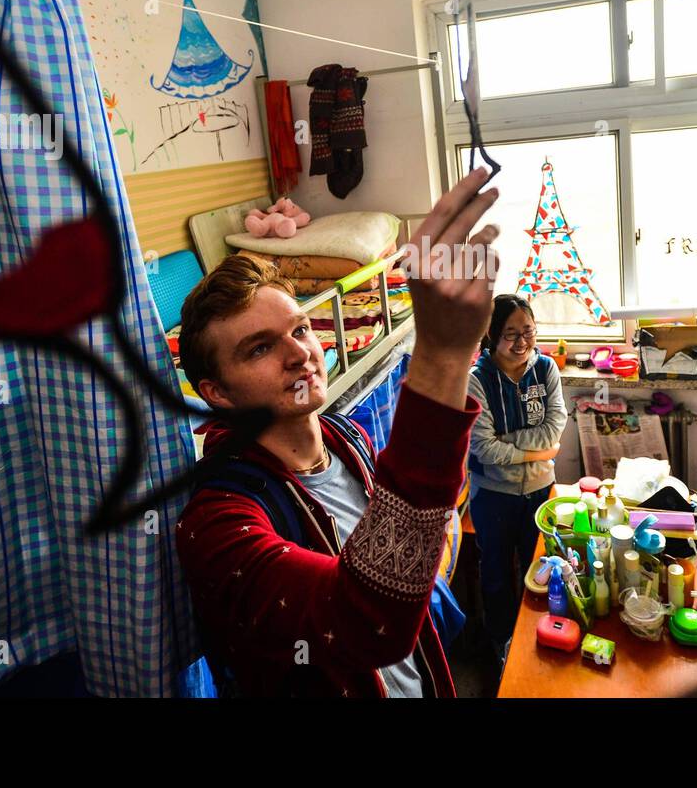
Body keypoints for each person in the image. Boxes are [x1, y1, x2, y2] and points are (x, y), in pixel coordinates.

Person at [174, 168, 499, 697]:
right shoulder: (217, 524)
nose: (300, 352)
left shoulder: (347, 440)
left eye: (300, 329)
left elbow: (404, 534)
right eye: (259, 348)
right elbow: (366, 624)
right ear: (217, 394)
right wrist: (442, 356)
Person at [466, 295, 567, 658]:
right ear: (492, 336)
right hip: (493, 494)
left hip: (540, 490)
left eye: (528, 331)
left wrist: (511, 443)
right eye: (511, 334)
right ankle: (500, 643)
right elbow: (484, 450)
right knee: (494, 572)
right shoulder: (477, 381)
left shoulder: (547, 369)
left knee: (541, 569)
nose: (522, 342)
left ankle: (538, 639)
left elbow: (555, 427)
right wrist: (540, 451)